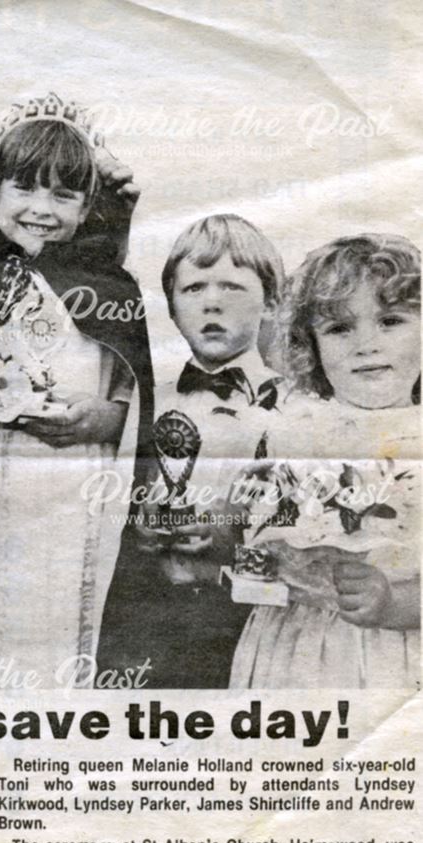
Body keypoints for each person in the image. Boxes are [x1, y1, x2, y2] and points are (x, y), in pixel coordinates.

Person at [0, 103, 152, 688]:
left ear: (87, 206)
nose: (42, 210)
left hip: (70, 484)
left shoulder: (109, 284)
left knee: (52, 622)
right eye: (23, 187)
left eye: (64, 196)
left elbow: (133, 388)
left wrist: (108, 418)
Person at [97, 214, 287, 689]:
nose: (212, 304)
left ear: (272, 303)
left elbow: (297, 523)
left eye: (232, 288)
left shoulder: (295, 408)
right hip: (140, 608)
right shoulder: (145, 397)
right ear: (172, 308)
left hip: (241, 614)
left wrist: (232, 532)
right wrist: (136, 521)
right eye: (194, 289)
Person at [230, 234, 420, 688]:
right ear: (310, 346)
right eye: (339, 329)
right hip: (295, 647)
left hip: (395, 651)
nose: (366, 345)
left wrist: (394, 603)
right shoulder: (294, 431)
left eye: (390, 320)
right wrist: (224, 529)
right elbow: (257, 539)